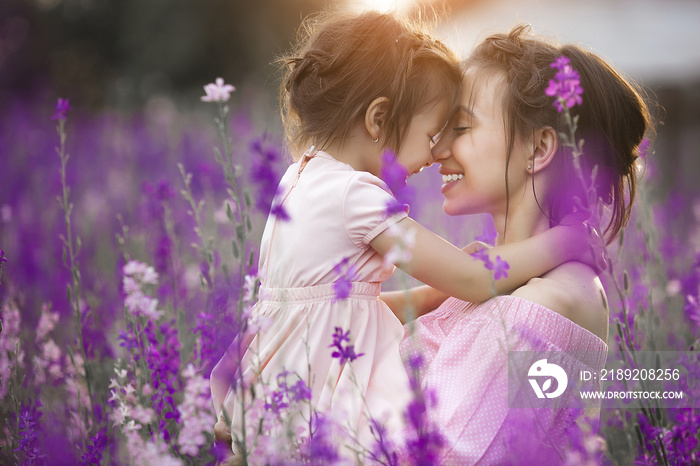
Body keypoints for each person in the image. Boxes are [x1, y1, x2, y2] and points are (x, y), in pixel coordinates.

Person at [210, 13, 594, 462]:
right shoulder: (355, 196)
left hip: (278, 394)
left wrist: (430, 296)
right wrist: (566, 243)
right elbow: (472, 278)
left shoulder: (300, 178)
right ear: (379, 119)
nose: (436, 153)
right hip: (326, 404)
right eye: (432, 134)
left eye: (458, 129)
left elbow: (335, 308)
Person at [393, 25, 652, 464]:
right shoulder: (502, 280)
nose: (438, 150)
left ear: (538, 148)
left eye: (460, 127)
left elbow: (442, 457)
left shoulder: (539, 309)